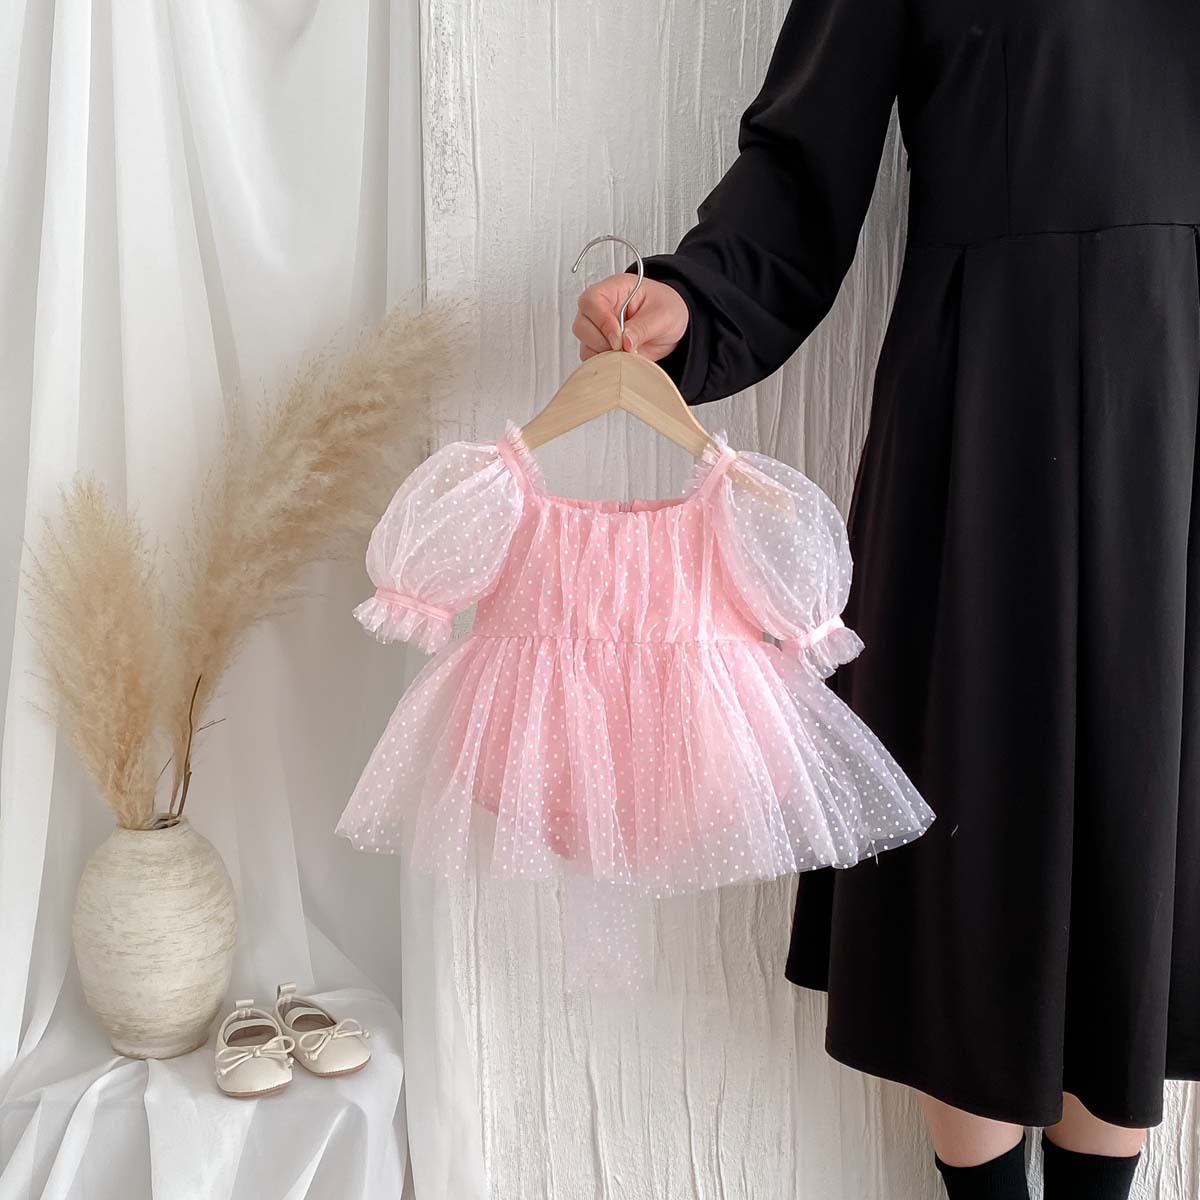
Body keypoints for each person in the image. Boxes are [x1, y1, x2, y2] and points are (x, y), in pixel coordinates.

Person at [572, 1, 1200, 1197]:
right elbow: (801, 171)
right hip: (993, 418)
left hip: (1183, 420)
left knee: (1154, 836)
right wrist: (695, 300)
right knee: (979, 836)